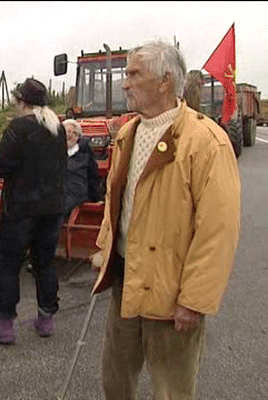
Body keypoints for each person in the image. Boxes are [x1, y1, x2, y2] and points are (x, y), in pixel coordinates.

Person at [91, 40, 240, 399]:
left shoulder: (206, 142)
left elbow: (217, 232)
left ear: (165, 81)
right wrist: (103, 249)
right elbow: (116, 201)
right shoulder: (128, 134)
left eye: (134, 74)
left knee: (171, 391)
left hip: (173, 297)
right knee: (115, 382)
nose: (124, 83)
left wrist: (194, 300)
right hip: (125, 283)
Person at [0, 78, 68, 343]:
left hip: (21, 210)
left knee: (9, 266)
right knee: (44, 263)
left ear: (22, 102)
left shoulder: (19, 127)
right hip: (53, 208)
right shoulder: (57, 127)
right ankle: (46, 318)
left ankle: (4, 324)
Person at [62, 119, 103, 217]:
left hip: (75, 195)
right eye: (65, 132)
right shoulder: (54, 154)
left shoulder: (85, 156)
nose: (68, 135)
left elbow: (93, 177)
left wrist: (97, 199)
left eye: (72, 132)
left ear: (78, 136)